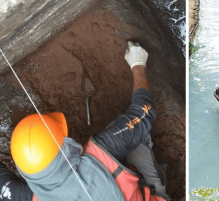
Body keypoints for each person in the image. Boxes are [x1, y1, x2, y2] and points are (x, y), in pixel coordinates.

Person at [0, 41, 169, 201]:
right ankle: (154, 186)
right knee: (135, 134)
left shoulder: (36, 197)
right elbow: (144, 111)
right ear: (64, 147)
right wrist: (137, 64)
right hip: (119, 179)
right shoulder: (102, 153)